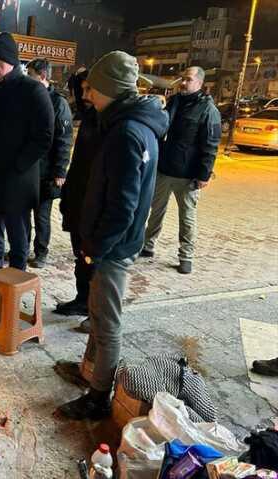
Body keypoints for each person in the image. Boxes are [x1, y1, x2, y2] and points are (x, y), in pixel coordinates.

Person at [56, 51, 169, 420]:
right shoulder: (130, 125)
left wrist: (95, 248)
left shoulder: (127, 133)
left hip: (114, 246)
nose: (88, 96)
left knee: (106, 321)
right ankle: (90, 371)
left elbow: (123, 205)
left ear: (113, 91)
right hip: (112, 242)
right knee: (96, 311)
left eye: (95, 90)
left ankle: (98, 396)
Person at [0, 32, 54, 296]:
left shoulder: (33, 90)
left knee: (18, 240)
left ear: (12, 61)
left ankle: (13, 292)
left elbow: (45, 136)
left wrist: (18, 166)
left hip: (17, 181)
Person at [141, 66, 221, 274]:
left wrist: (204, 174)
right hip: (164, 169)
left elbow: (211, 144)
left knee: (187, 218)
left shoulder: (207, 110)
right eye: (182, 79)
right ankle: (147, 246)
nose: (183, 83)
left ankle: (186, 256)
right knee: (155, 211)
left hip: (188, 175)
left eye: (188, 79)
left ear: (200, 84)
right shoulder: (174, 102)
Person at [54, 69, 102, 332]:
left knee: (93, 260)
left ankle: (95, 312)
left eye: (88, 90)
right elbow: (80, 164)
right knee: (80, 255)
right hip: (79, 200)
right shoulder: (90, 118)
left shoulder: (109, 122)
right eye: (81, 90)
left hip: (93, 205)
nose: (83, 96)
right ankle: (82, 300)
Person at [25, 58, 73, 269]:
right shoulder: (28, 98)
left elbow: (64, 139)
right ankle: (22, 247)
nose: (28, 78)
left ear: (42, 75)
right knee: (22, 212)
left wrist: (60, 171)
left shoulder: (58, 103)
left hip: (46, 172)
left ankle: (41, 252)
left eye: (31, 74)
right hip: (27, 170)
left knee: (41, 215)